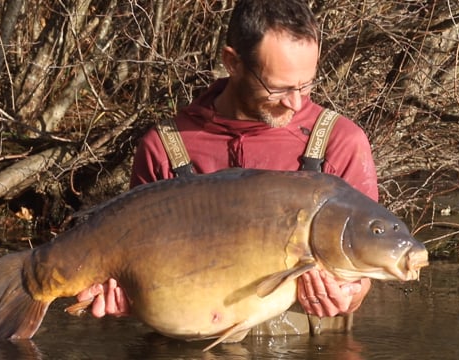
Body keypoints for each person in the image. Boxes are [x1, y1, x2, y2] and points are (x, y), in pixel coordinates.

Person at [76, 0, 378, 335]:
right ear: (232, 62)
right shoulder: (164, 147)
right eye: (278, 88)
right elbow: (134, 270)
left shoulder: (341, 142)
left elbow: (364, 275)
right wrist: (128, 299)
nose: (295, 102)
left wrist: (348, 296)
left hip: (307, 348)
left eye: (305, 85)